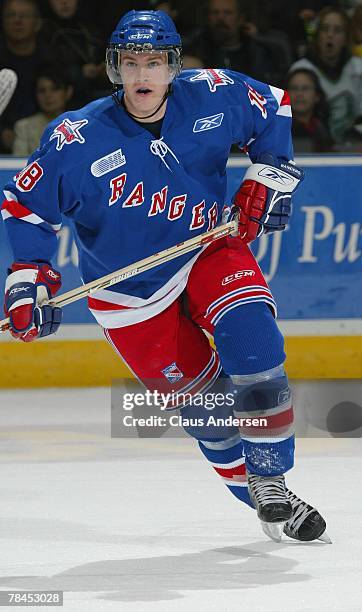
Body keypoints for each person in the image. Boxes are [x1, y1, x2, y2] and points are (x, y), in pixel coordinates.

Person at [2, 10, 329, 543]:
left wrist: (270, 173)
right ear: (115, 68)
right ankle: (263, 497)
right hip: (127, 296)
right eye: (130, 63)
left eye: (153, 62)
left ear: (173, 66)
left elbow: (275, 107)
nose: (142, 76)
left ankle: (271, 476)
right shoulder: (75, 138)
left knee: (253, 339)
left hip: (205, 248)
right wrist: (29, 280)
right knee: (211, 415)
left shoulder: (214, 94)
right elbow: (27, 208)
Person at [290, 6, 362, 144]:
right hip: (308, 147)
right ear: (317, 35)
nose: (330, 35)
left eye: (337, 30)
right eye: (324, 29)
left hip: (352, 149)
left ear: (346, 38)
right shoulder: (301, 70)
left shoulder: (359, 69)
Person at [0, 0, 52, 153]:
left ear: (38, 23)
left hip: (43, 138)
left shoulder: (53, 59)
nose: (17, 21)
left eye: (24, 16)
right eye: (11, 15)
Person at [12, 65, 73, 156]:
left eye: (55, 89)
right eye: (42, 90)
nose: (48, 95)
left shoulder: (82, 123)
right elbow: (17, 166)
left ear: (68, 92)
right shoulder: (24, 127)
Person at [286, 68, 333, 152]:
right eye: (294, 88)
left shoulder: (324, 129)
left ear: (317, 96)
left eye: (305, 88)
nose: (299, 94)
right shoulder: (278, 129)